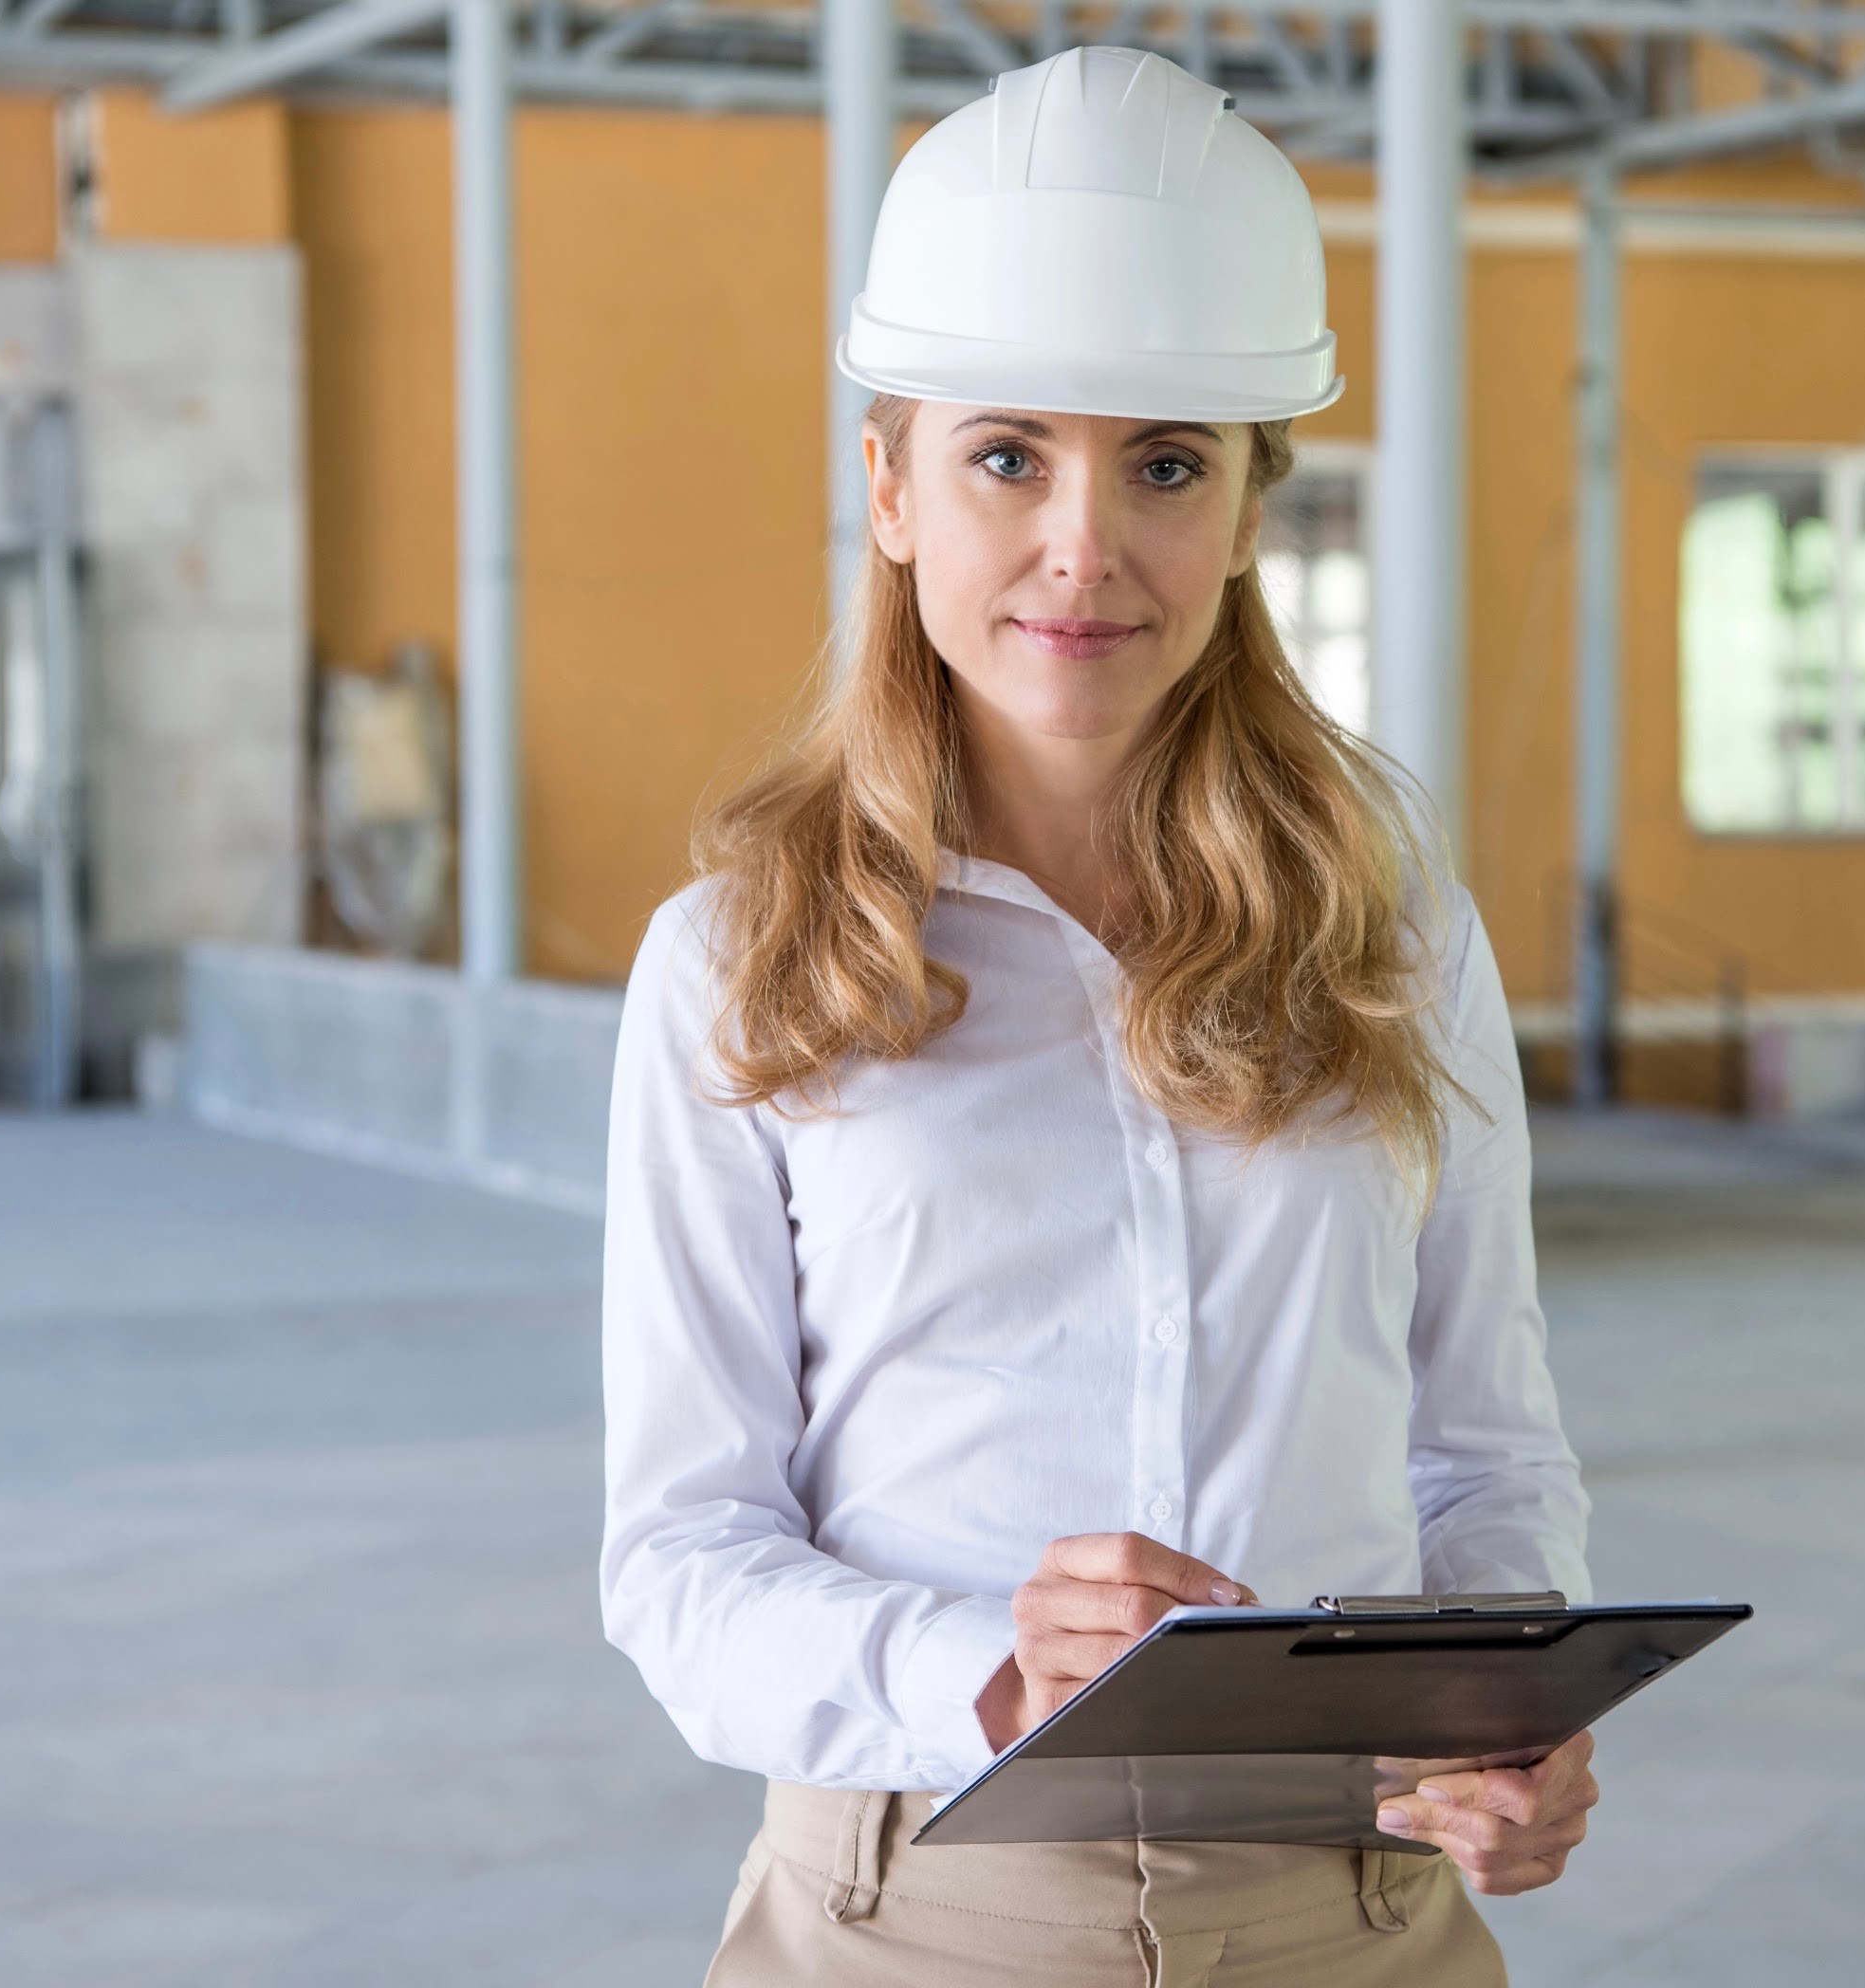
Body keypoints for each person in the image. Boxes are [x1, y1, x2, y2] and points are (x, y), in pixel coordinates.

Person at [600, 44, 1596, 1988]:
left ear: (1242, 514)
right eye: (1004, 456)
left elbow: (1482, 1451)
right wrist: (974, 1661)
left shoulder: (1398, 937)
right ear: (888, 487)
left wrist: (1506, 1703)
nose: (1083, 542)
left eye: (1163, 461)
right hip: (912, 1915)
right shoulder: (734, 965)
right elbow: (677, 1557)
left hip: (1358, 1915)